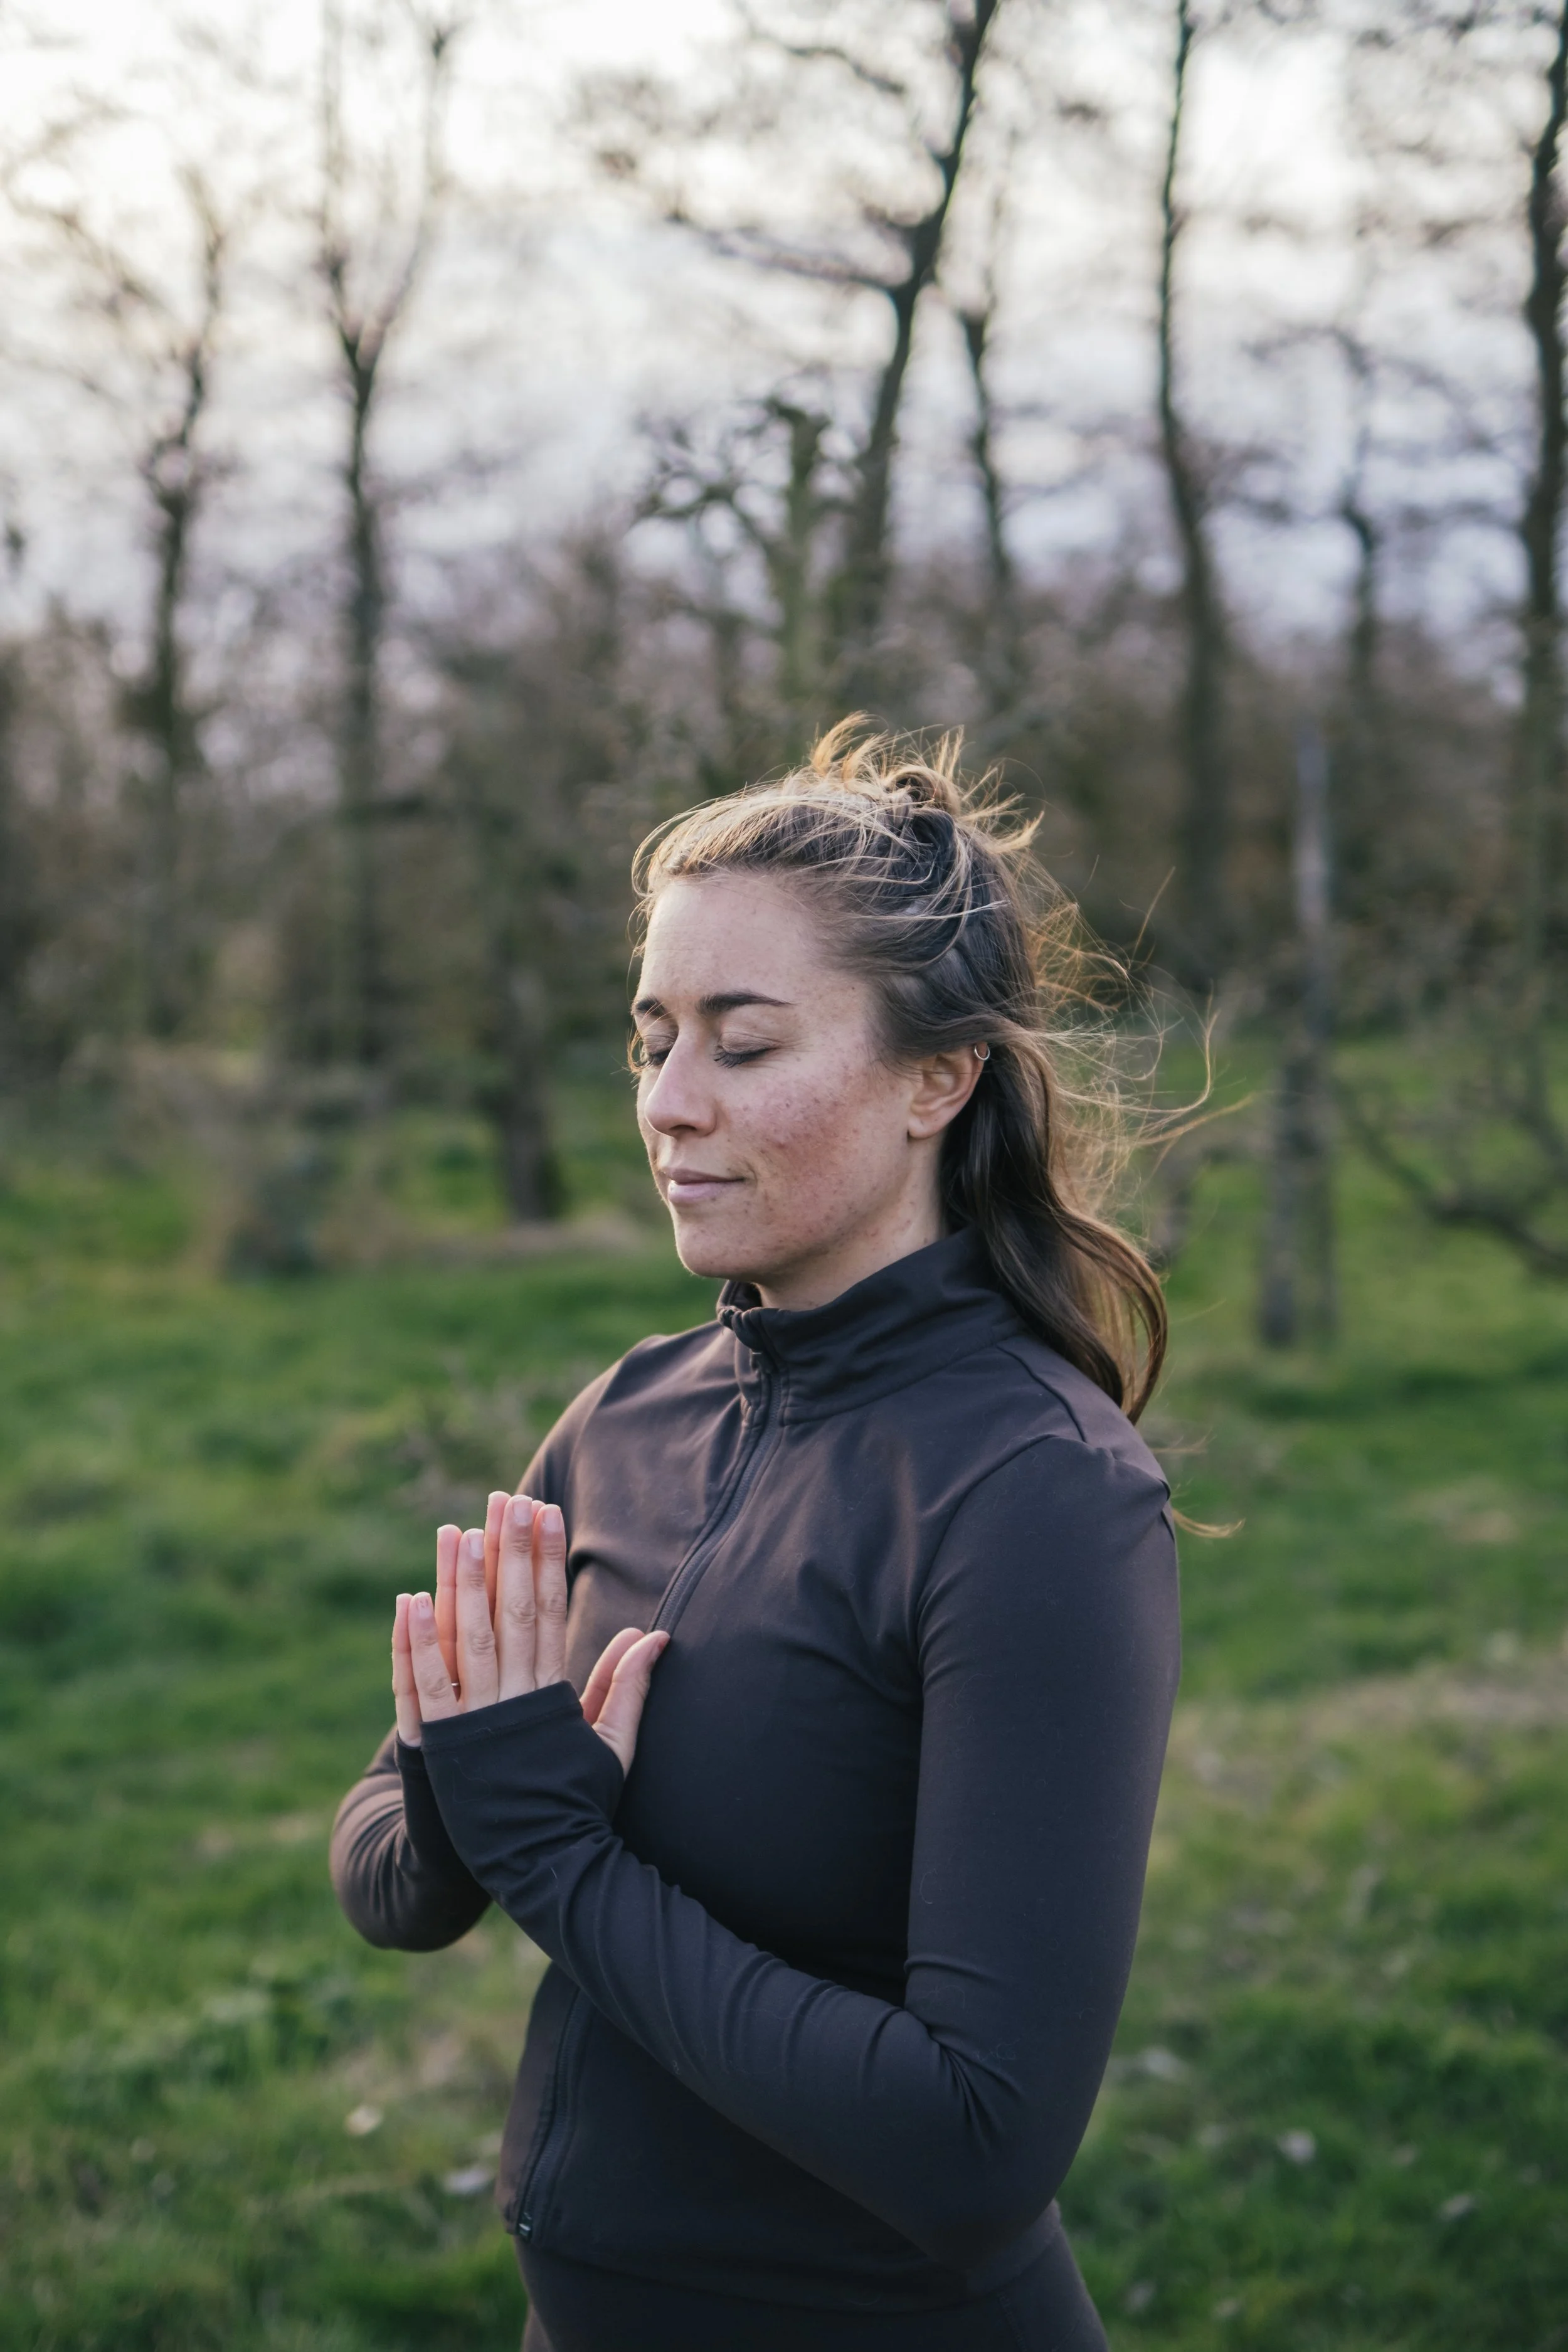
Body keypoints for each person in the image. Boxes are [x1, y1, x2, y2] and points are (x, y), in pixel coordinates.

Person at [331, 724, 1180, 2352]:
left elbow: (974, 2147)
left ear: (937, 1078)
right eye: (650, 1037)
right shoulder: (625, 1415)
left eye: (741, 1042)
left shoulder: (1036, 1493)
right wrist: (483, 1772)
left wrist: (561, 1852)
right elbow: (389, 1878)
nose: (665, 1103)